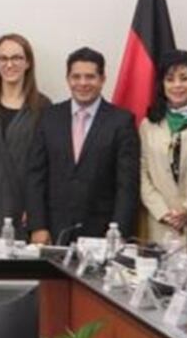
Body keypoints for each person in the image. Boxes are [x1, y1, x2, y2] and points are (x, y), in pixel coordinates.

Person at [25, 47, 139, 244]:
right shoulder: (49, 117)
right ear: (68, 79)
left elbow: (127, 185)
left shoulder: (121, 121)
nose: (83, 83)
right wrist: (38, 226)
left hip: (102, 233)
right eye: (76, 77)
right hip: (53, 230)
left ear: (102, 79)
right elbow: (35, 175)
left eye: (90, 77)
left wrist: (117, 232)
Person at [0, 34, 50, 239]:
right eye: (3, 58)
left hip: (24, 205)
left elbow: (46, 165)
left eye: (16, 58)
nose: (9, 64)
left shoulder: (43, 107)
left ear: (28, 62)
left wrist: (35, 210)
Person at [139, 50, 187, 254]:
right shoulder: (148, 124)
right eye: (170, 79)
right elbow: (141, 173)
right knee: (159, 284)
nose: (177, 85)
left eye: (184, 78)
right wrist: (163, 212)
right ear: (162, 85)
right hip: (161, 223)